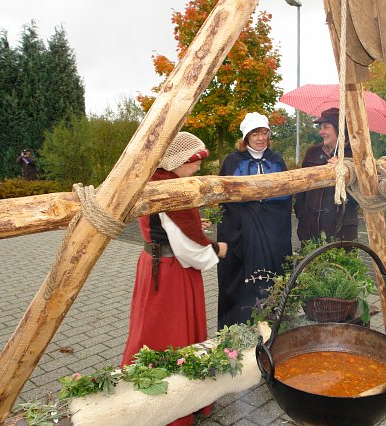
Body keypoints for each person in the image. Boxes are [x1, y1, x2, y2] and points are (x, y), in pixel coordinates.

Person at [121, 132, 227, 426]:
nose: (198, 167)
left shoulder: (152, 181)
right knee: (172, 336)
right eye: (195, 161)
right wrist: (215, 249)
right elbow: (188, 249)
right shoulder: (175, 192)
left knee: (148, 330)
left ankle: (142, 392)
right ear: (177, 161)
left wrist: (194, 226)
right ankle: (172, 406)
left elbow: (165, 225)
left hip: (151, 265)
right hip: (172, 273)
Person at [216, 112, 292, 329]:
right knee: (242, 279)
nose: (260, 138)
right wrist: (249, 216)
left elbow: (287, 195)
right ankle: (239, 327)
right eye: (255, 133)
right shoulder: (232, 161)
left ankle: (274, 326)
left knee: (272, 277)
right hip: (242, 233)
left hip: (272, 231)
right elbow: (225, 201)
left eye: (264, 133)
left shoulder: (276, 160)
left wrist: (267, 213)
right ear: (246, 137)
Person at [294, 107, 359, 243]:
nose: (321, 132)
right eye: (320, 127)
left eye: (326, 127)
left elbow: (362, 192)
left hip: (341, 229)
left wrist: (344, 168)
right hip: (310, 228)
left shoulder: (354, 155)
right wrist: (302, 215)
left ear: (339, 129)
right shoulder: (312, 152)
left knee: (341, 257)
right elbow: (301, 189)